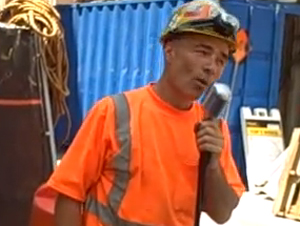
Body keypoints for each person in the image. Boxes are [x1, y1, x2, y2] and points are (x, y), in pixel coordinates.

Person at [46, 1, 245, 225]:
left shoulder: (213, 130)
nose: (211, 67)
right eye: (203, 52)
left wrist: (213, 164)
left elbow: (222, 213)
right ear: (169, 50)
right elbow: (69, 194)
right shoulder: (113, 112)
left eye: (220, 60)